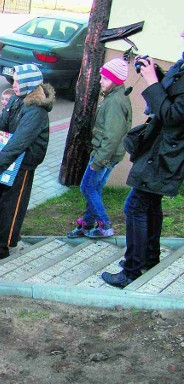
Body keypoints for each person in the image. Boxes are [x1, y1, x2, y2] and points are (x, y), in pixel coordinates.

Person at [102, 34, 184, 288]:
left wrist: (150, 81)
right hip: (162, 150)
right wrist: (155, 72)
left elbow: (174, 115)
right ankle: (149, 257)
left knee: (135, 206)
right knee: (149, 204)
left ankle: (131, 270)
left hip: (167, 153)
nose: (181, 34)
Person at [0, 64, 55, 263]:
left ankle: (2, 245)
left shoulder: (37, 111)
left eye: (19, 81)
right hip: (8, 158)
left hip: (23, 162)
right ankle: (6, 234)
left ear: (29, 84)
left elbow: (19, 141)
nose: (14, 84)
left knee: (11, 203)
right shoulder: (15, 99)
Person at [67, 58, 132, 239]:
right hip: (108, 154)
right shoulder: (115, 97)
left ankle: (105, 225)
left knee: (87, 187)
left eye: (104, 78)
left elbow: (112, 136)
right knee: (94, 188)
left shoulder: (114, 103)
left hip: (104, 155)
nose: (101, 81)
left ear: (115, 80)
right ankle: (87, 224)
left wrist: (99, 161)